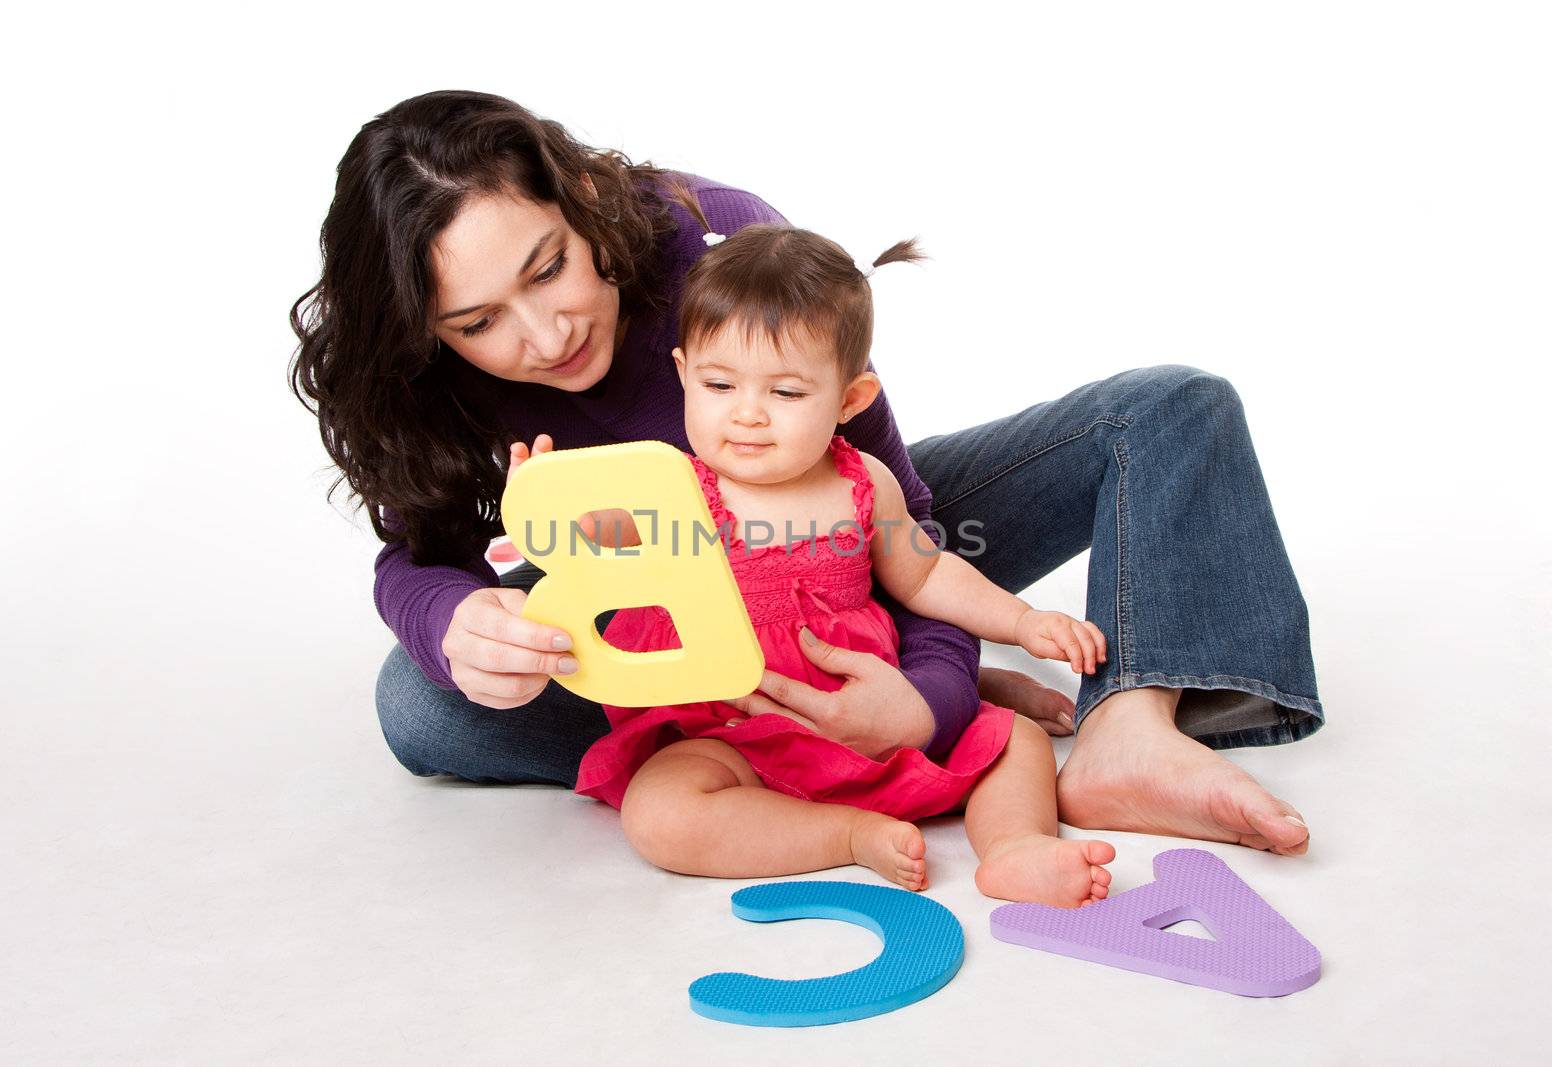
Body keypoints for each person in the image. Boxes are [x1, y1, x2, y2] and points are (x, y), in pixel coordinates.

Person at [289, 90, 1324, 858]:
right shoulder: (421, 384)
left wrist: (925, 692)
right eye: (476, 323)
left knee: (1169, 410)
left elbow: (901, 519)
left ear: (582, 200)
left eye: (549, 266)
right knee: (420, 704)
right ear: (421, 332)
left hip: (845, 553)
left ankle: (1125, 729)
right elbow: (419, 556)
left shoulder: (713, 241)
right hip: (671, 638)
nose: (545, 331)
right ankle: (774, 752)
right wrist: (455, 622)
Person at [546, 209, 1116, 904]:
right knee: (659, 812)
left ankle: (1015, 846)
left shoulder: (863, 483)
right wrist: (550, 505)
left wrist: (1022, 622)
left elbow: (928, 572)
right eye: (720, 386)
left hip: (864, 718)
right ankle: (846, 835)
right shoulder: (678, 489)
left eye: (785, 392)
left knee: (1017, 741)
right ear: (684, 374)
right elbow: (601, 537)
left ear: (850, 398)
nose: (748, 413)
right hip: (732, 731)